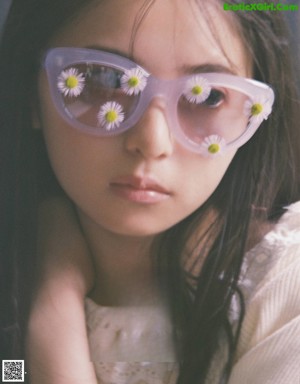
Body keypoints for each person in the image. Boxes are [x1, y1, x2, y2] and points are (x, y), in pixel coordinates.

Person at [0, 0, 300, 383]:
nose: (152, 142)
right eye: (105, 79)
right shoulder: (9, 317)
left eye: (207, 96)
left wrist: (50, 314)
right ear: (31, 91)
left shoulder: (285, 286)